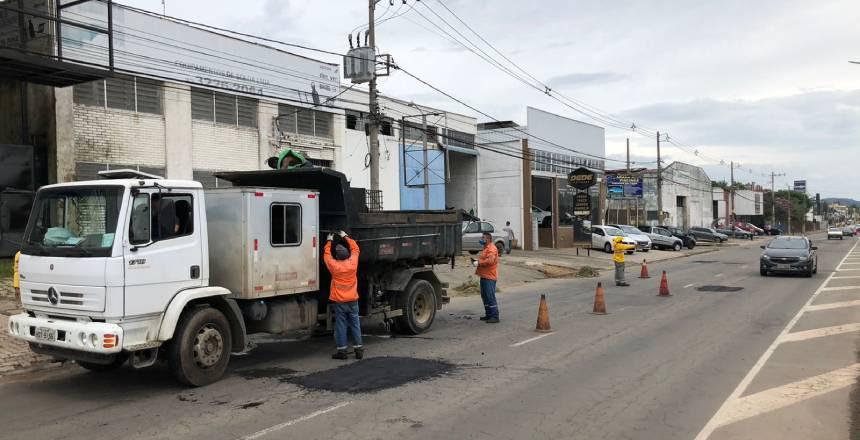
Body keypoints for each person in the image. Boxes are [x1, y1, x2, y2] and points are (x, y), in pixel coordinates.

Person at [323, 230, 364, 360]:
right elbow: (355, 249)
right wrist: (345, 236)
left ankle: (342, 352)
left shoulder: (335, 266)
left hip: (340, 302)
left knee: (341, 325)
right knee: (355, 324)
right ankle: (359, 350)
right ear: (347, 255)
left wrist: (329, 240)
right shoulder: (353, 263)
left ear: (337, 256)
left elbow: (326, 256)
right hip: (353, 300)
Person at [476, 231, 500, 323]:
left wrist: (479, 262)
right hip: (484, 275)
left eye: (483, 238)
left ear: (488, 239)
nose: (481, 239)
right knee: (485, 296)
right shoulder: (486, 248)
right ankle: (489, 314)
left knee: (490, 296)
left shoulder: (492, 248)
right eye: (482, 237)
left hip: (489, 276)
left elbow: (490, 261)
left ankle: (495, 316)